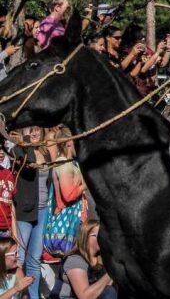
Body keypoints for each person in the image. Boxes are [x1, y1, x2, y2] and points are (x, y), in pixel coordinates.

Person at [11, 127, 50, 299]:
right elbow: (27, 161)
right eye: (30, 130)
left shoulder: (46, 153)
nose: (34, 134)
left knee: (34, 260)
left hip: (42, 211)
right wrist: (25, 139)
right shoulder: (17, 150)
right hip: (24, 213)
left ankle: (33, 297)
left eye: (36, 130)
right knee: (17, 260)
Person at [54, 220, 115, 299]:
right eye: (99, 235)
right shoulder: (75, 260)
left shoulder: (102, 260)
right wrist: (111, 272)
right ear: (85, 237)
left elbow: (105, 288)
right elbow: (84, 297)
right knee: (109, 292)